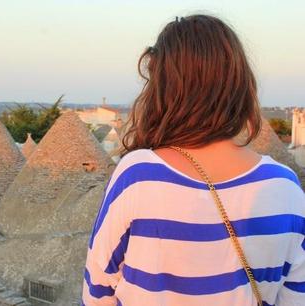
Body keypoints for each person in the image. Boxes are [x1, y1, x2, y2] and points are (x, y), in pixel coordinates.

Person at [82, 15, 305, 306]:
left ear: (164, 90)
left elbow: (98, 293)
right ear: (239, 84)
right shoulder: (285, 187)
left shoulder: (139, 176)